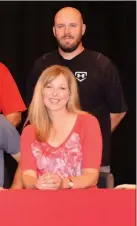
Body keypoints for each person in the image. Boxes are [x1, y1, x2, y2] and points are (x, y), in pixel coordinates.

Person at [25, 6, 127, 173]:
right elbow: (34, 111)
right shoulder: (41, 66)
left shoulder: (102, 65)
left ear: (83, 29)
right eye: (60, 26)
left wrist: (90, 139)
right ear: (53, 31)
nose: (66, 32)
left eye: (73, 25)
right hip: (49, 165)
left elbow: (118, 111)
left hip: (94, 164)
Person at [19, 65, 102, 190]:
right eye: (49, 87)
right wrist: (37, 184)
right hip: (43, 203)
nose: (55, 93)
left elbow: (91, 175)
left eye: (62, 88)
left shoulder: (88, 123)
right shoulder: (29, 131)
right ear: (41, 91)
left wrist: (63, 183)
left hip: (83, 203)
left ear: (70, 93)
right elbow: (27, 176)